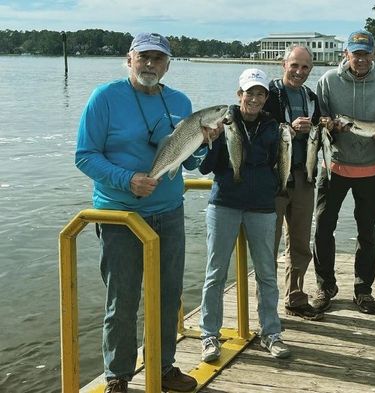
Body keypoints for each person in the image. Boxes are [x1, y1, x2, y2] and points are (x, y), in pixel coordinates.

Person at [75, 32, 219, 393]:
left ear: (168, 64)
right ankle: (118, 376)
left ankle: (163, 366)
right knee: (121, 299)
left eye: (158, 59)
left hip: (168, 213)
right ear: (130, 59)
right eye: (144, 57)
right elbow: (85, 155)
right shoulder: (104, 98)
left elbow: (189, 163)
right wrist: (128, 180)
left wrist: (205, 144)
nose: (151, 64)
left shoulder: (179, 101)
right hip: (120, 217)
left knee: (168, 295)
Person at [198, 68, 291, 362]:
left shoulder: (273, 128)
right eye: (249, 92)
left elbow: (280, 163)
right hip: (224, 202)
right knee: (216, 272)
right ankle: (209, 335)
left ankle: (271, 333)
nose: (254, 98)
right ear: (239, 95)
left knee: (267, 273)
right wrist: (209, 140)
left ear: (266, 98)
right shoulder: (222, 123)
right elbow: (205, 168)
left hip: (262, 206)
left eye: (260, 93)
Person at [312, 30, 375, 314]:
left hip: (371, 169)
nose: (360, 59)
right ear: (346, 54)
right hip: (333, 166)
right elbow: (319, 119)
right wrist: (328, 124)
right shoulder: (327, 81)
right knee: (323, 228)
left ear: (374, 55)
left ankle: (363, 290)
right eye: (355, 53)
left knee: (367, 231)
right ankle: (325, 286)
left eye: (366, 53)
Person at [263, 45, 323, 321]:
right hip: (274, 177)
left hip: (303, 178)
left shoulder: (311, 97)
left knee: (299, 241)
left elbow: (319, 135)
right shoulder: (267, 94)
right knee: (268, 242)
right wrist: (285, 128)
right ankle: (266, 306)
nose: (299, 72)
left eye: (305, 67)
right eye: (294, 65)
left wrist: (324, 128)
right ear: (283, 64)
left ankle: (295, 298)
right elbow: (255, 129)